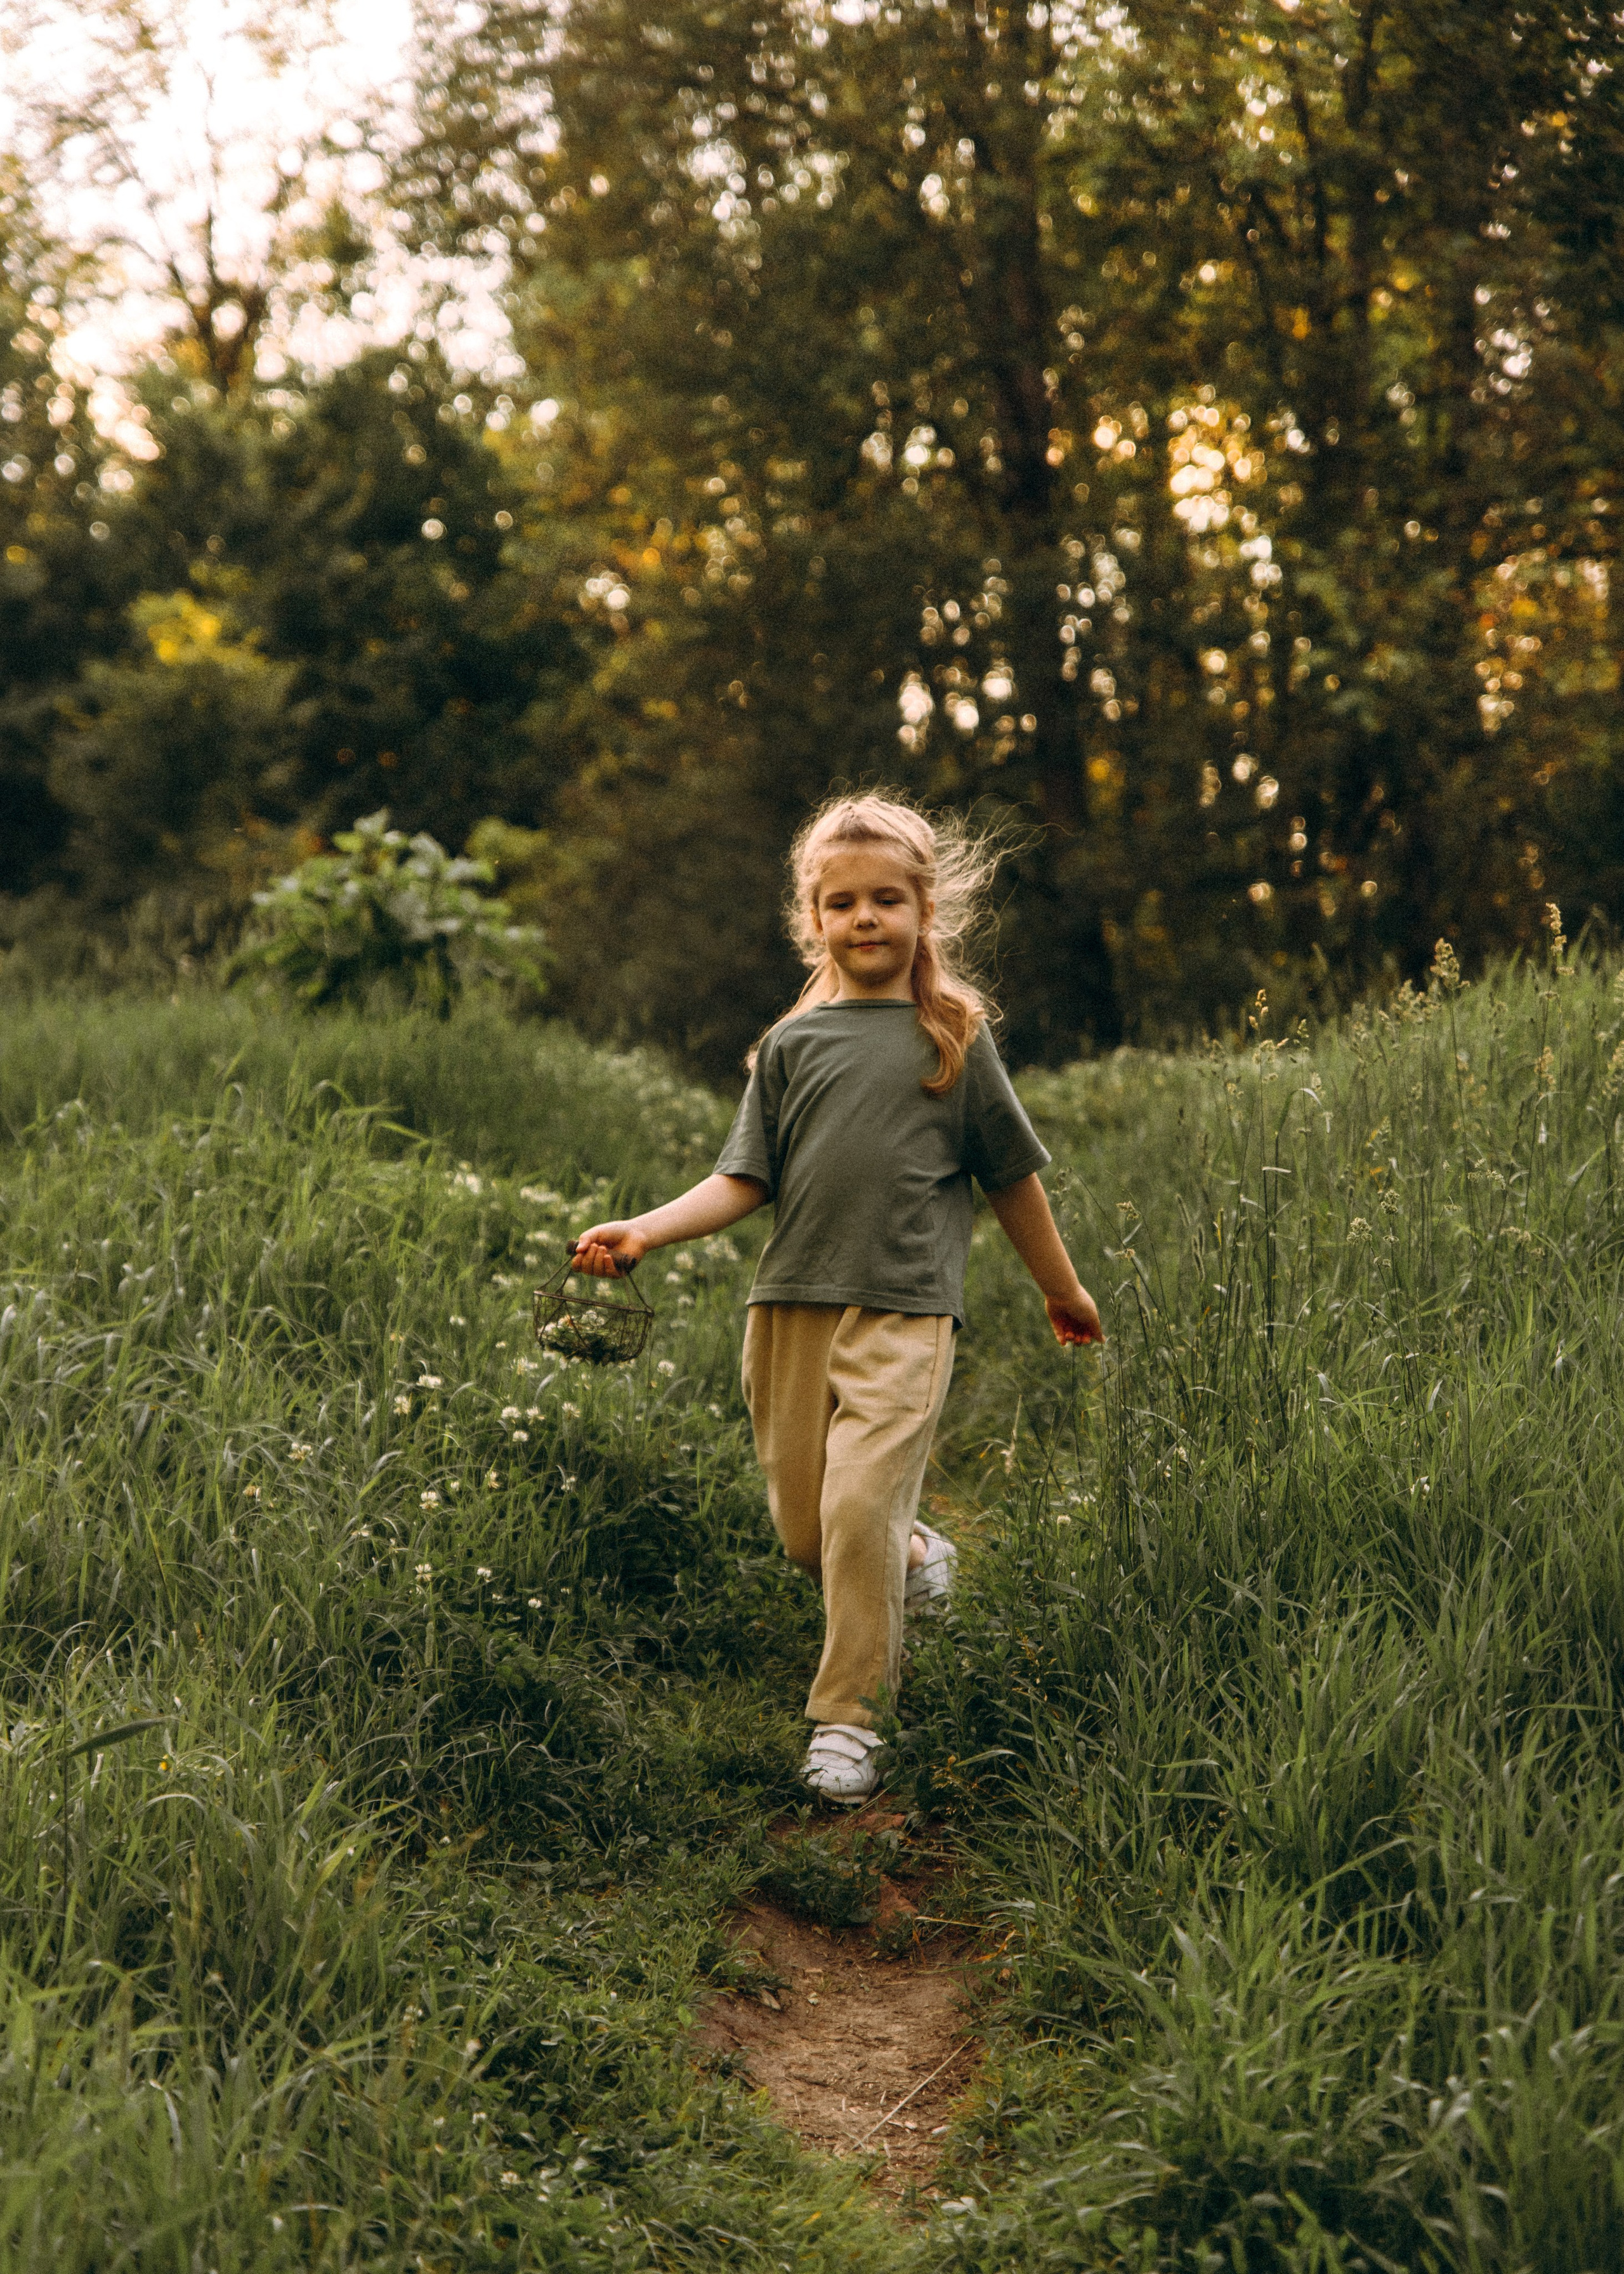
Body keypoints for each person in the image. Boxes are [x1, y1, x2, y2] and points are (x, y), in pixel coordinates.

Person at [572, 792, 1102, 1804]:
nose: (865, 919)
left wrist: (1062, 1287)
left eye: (886, 900)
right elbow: (743, 1180)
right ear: (812, 919)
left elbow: (1012, 1180)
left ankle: (850, 1721)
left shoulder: (954, 1038)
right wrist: (645, 1229)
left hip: (906, 1310)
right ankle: (916, 1554)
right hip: (790, 1309)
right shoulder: (792, 1046)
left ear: (925, 912)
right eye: (843, 902)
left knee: (857, 1506)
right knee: (809, 1533)